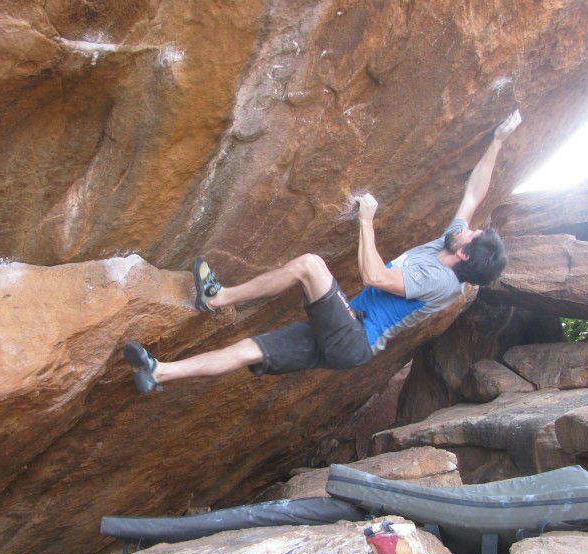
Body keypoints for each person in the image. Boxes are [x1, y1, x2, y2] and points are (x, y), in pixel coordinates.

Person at [124, 110, 521, 392]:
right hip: (343, 334)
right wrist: (497, 142)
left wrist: (366, 219)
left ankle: (218, 297)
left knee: (311, 266)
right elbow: (472, 195)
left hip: (354, 339)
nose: (466, 229)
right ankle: (158, 373)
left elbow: (376, 277)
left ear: (465, 256)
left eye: (471, 235)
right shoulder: (449, 245)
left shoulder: (440, 279)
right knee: (247, 350)